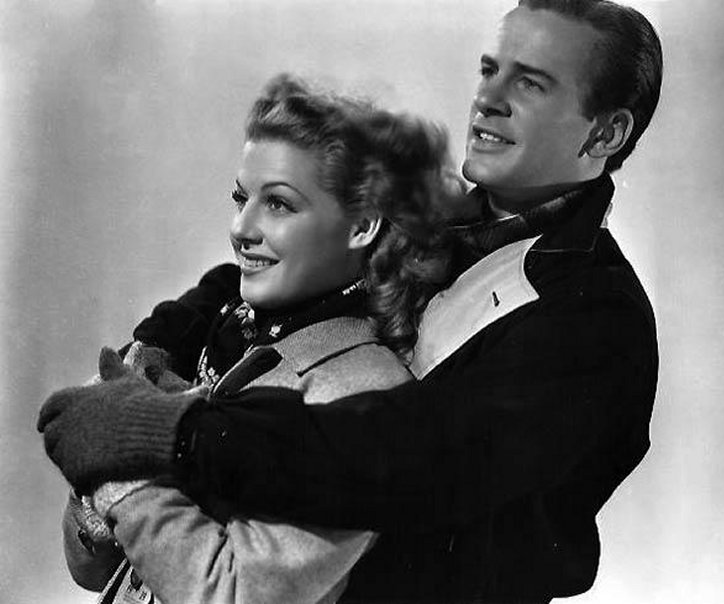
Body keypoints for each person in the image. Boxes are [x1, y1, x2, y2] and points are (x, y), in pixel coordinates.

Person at [39, 0, 663, 601]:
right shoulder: (437, 215)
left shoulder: (597, 321)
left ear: (606, 132)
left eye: (530, 84)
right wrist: (157, 346)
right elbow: (259, 276)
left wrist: (170, 434)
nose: (487, 99)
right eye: (488, 70)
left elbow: (405, 456)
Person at [51, 74, 454, 604]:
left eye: (279, 204)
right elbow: (92, 571)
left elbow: (233, 595)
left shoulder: (361, 388)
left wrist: (121, 472)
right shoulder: (228, 334)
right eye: (241, 198)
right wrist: (91, 493)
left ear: (361, 226)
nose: (242, 227)